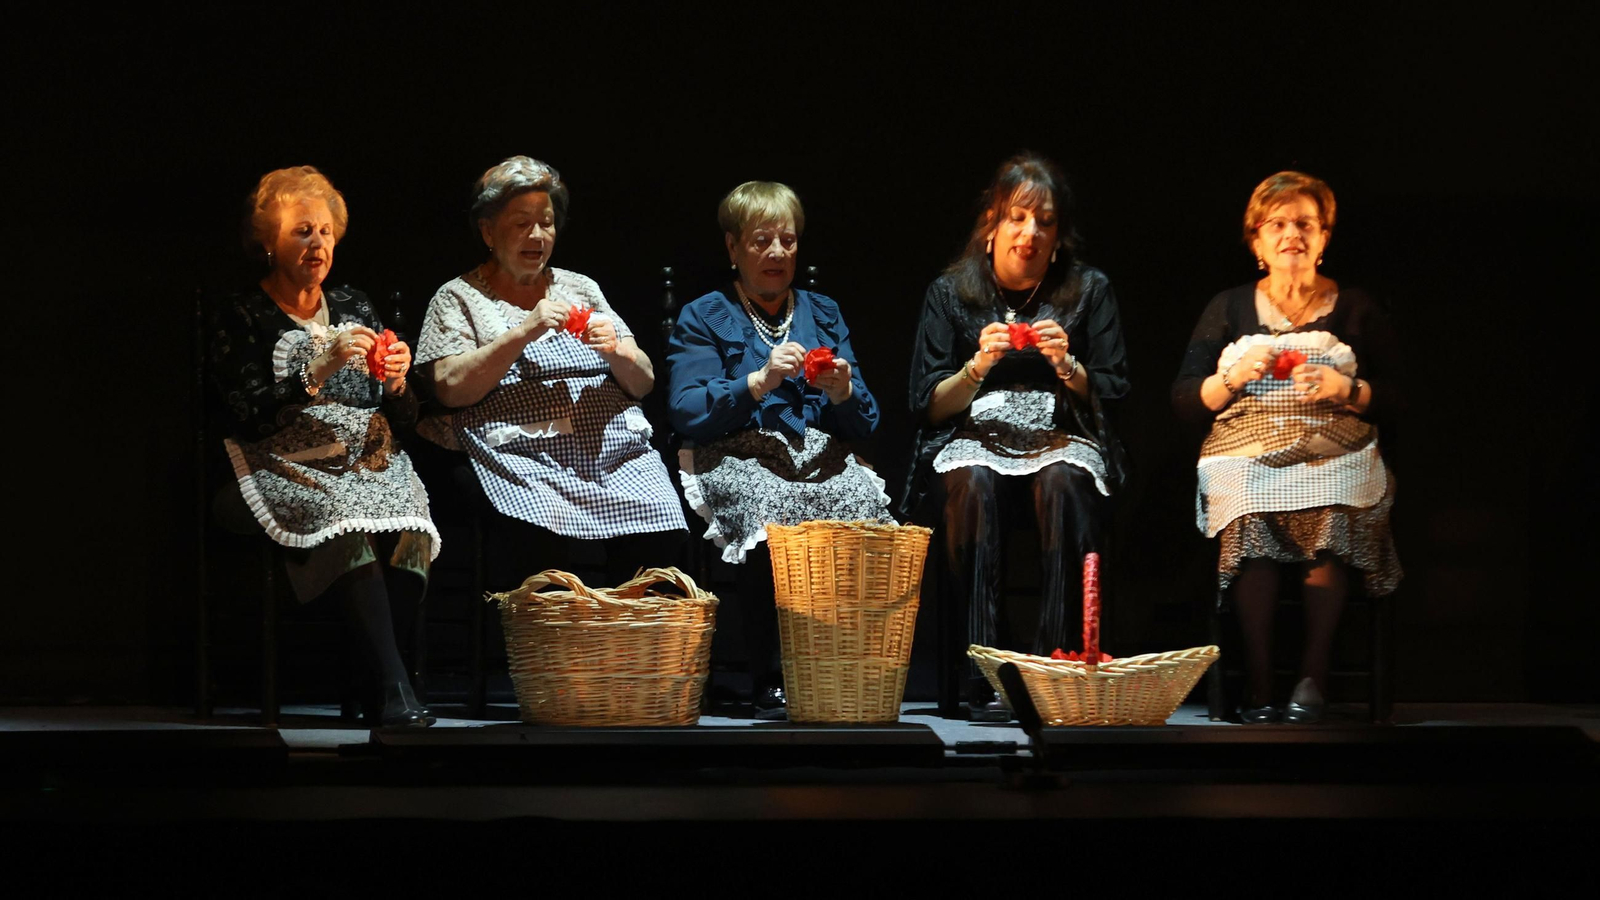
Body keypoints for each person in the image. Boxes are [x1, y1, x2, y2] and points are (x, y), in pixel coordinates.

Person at [209, 166, 437, 728]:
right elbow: (248, 411)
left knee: (412, 526)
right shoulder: (243, 314)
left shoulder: (355, 303)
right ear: (268, 242)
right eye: (301, 232)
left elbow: (402, 419)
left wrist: (396, 382)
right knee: (349, 525)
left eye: (325, 232)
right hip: (281, 461)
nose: (317, 244)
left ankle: (374, 679)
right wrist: (320, 366)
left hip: (365, 459)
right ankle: (392, 691)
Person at [904, 154, 1130, 721]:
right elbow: (928, 404)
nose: (1031, 233)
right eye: (1019, 218)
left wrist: (1067, 365)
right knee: (971, 485)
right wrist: (976, 367)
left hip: (1061, 433)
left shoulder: (1087, 289)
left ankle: (1046, 670)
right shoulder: (952, 292)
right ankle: (984, 671)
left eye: (1045, 223)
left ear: (1059, 238)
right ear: (992, 224)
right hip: (975, 433)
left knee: (1064, 482)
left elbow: (1115, 390)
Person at [1171, 171, 1403, 724]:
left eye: (1305, 223)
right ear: (1255, 241)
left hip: (1334, 448)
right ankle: (1257, 682)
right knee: (1250, 515)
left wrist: (1350, 390)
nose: (1292, 234)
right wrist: (1232, 379)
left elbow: (1402, 396)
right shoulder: (1229, 307)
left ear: (1324, 238)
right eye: (1277, 224)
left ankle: (1311, 678)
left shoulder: (1354, 307)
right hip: (1249, 448)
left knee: (1335, 516)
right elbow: (1183, 399)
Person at [667, 181, 890, 719]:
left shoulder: (823, 312)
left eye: (787, 241)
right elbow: (686, 409)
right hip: (733, 451)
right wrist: (757, 382)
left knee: (866, 507)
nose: (776, 253)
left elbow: (866, 420)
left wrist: (841, 390)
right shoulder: (705, 315)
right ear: (733, 247)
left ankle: (845, 666)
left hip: (813, 451)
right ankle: (772, 672)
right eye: (762, 240)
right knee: (770, 506)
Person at [413, 157, 686, 592]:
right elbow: (448, 388)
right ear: (487, 231)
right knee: (542, 539)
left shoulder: (581, 287)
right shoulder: (457, 297)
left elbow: (644, 380)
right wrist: (523, 331)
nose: (537, 236)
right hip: (520, 456)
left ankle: (625, 647)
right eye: (521, 223)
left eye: (546, 222)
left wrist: (616, 351)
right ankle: (555, 652)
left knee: (659, 526)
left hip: (606, 453)